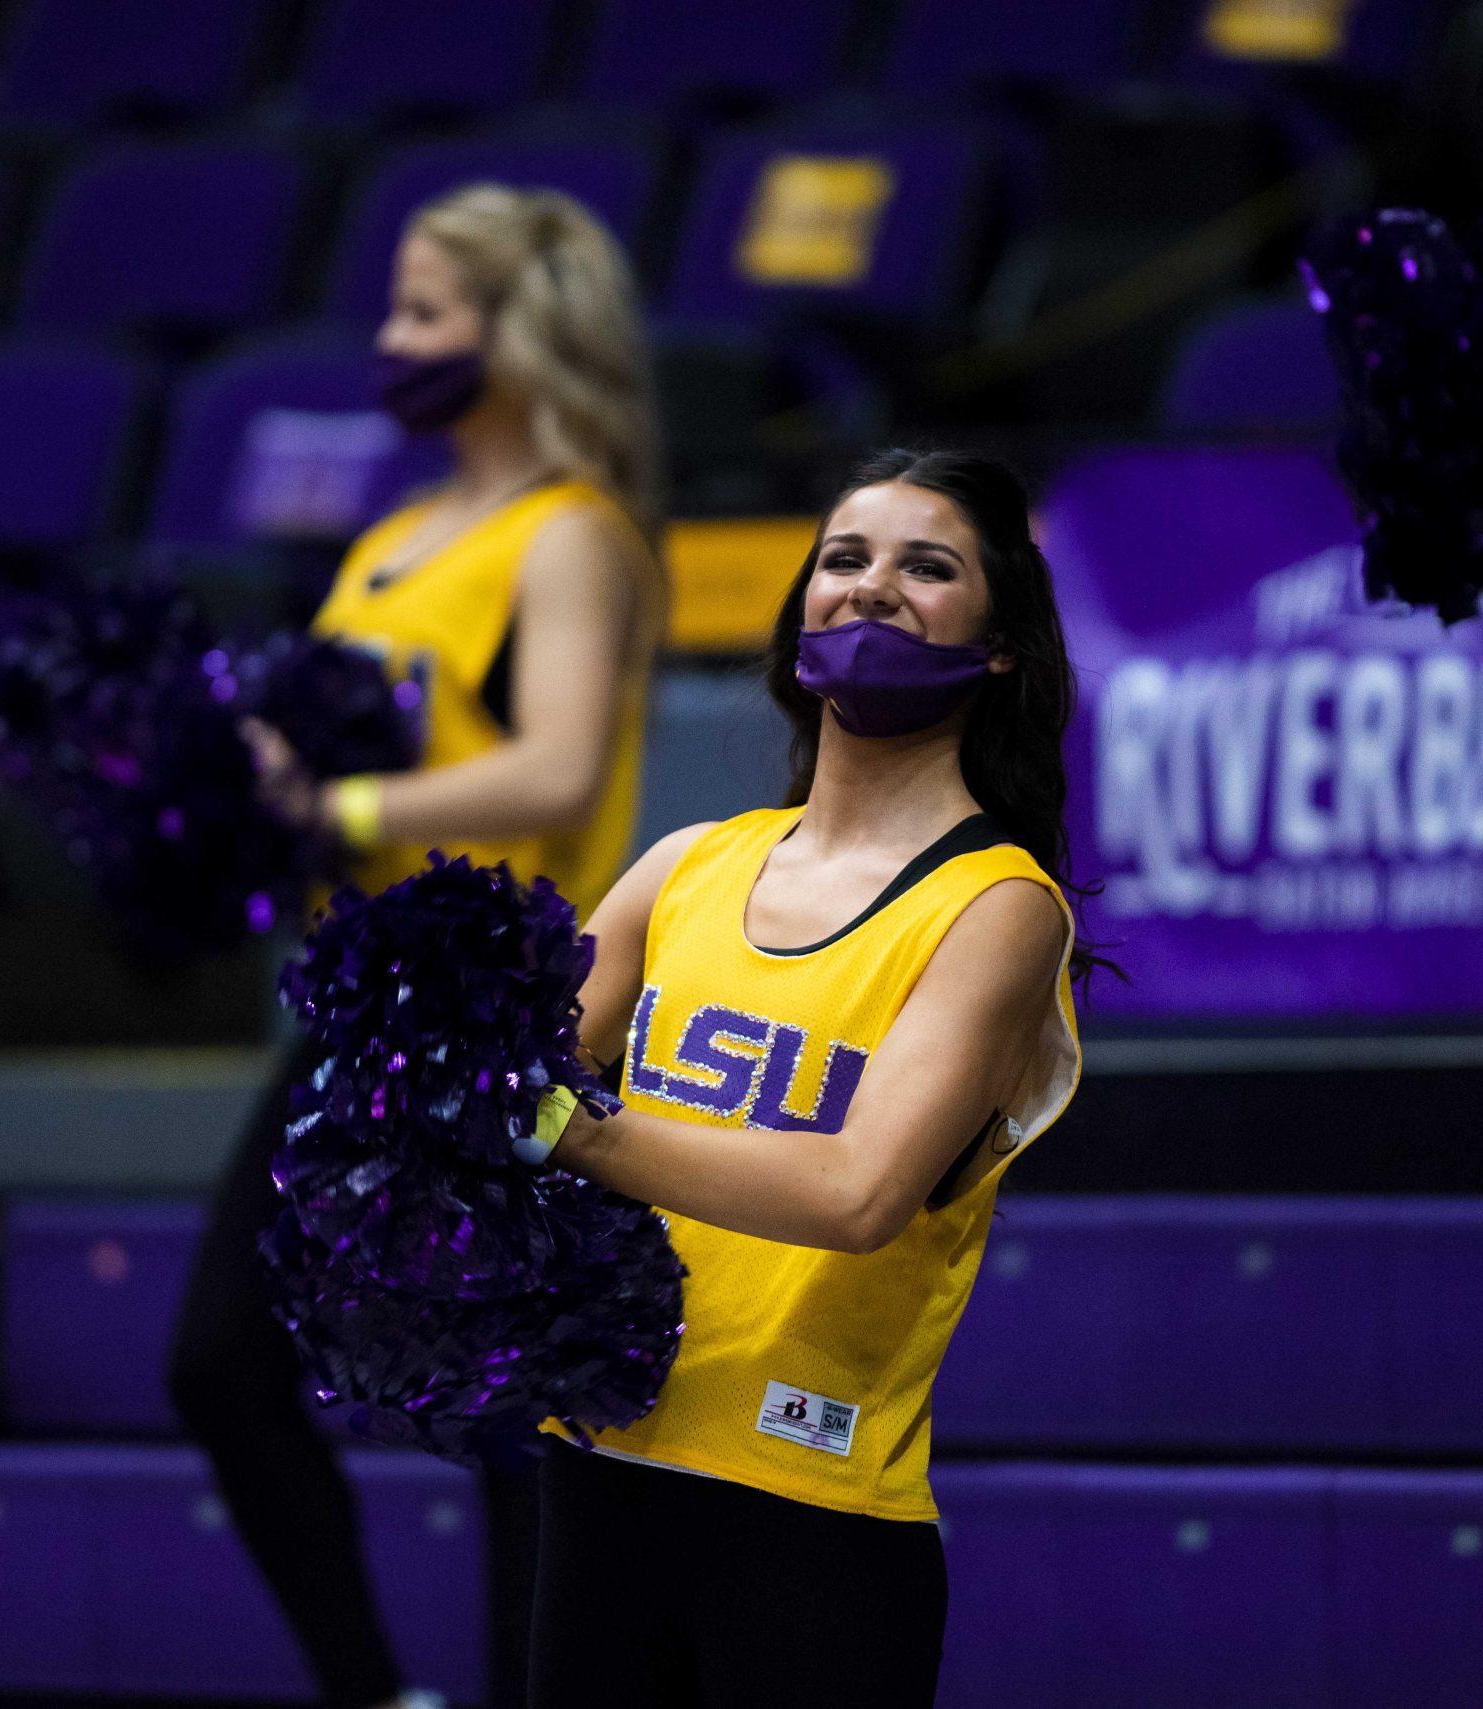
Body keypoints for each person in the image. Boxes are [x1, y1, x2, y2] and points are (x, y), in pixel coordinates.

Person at [164, 183, 663, 1709]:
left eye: (428, 311)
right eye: (393, 308)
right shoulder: (384, 540)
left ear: (524, 330)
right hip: (359, 1010)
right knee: (222, 1365)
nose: (394, 340)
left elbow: (560, 769)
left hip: (498, 1014)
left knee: (511, 1420)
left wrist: (348, 796)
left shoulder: (571, 534)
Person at [519, 449, 1088, 1708]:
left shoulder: (995, 909)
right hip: (598, 1466)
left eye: (926, 567)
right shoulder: (685, 866)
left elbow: (855, 1190)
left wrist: (568, 1131)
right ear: (799, 613)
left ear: (999, 644)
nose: (872, 587)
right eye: (844, 559)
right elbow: (505, 1068)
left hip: (811, 1510)